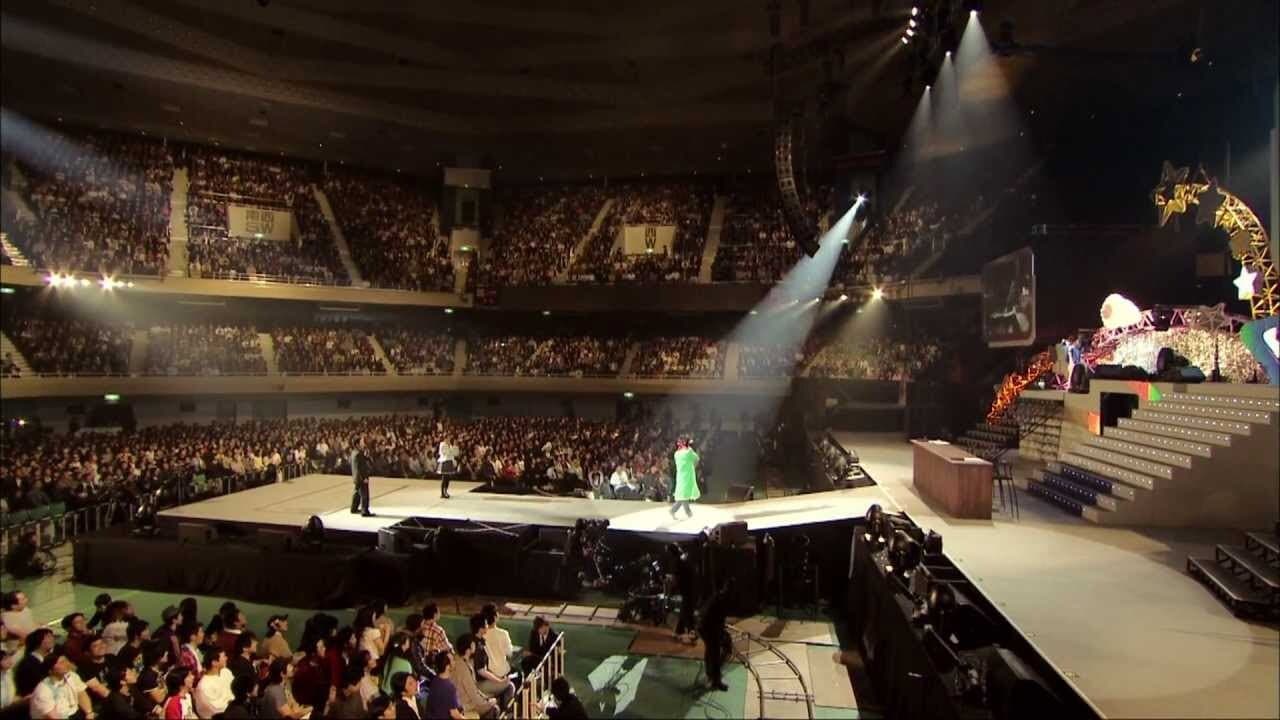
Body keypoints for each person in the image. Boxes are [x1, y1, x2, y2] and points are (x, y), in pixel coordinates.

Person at [30, 651, 93, 720]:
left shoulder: (71, 675)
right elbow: (52, 716)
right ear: (50, 670)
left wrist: (89, 713)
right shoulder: (43, 690)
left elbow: (81, 694)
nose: (66, 664)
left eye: (65, 661)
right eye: (61, 663)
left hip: (75, 714)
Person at [466, 616, 513, 709]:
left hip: (478, 681)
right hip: (478, 684)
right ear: (480, 629)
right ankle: (506, 712)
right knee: (509, 685)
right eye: (486, 625)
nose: (488, 626)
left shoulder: (477, 641)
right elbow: (481, 670)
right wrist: (499, 680)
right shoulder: (477, 646)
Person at [450, 636, 497, 720]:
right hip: (464, 705)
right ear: (468, 649)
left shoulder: (458, 661)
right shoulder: (463, 668)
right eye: (473, 644)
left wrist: (485, 698)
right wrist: (488, 703)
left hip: (463, 701)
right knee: (494, 709)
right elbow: (472, 693)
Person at [699, 581, 732, 692]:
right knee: (713, 650)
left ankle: (715, 676)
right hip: (706, 627)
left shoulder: (722, 597)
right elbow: (713, 618)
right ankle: (712, 677)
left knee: (722, 647)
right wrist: (720, 632)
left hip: (711, 626)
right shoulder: (720, 599)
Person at [193, 648, 234, 718]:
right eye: (224, 656)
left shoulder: (226, 672)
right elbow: (213, 709)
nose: (226, 658)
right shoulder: (204, 685)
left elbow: (236, 690)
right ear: (214, 662)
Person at [668, 542, 697, 642]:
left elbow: (676, 579)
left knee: (687, 611)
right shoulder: (682, 559)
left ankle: (692, 632)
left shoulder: (678, 561)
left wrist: (671, 591)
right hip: (690, 588)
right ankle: (680, 631)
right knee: (686, 610)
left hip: (688, 589)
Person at [15, 629, 55, 697]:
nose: (52, 640)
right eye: (48, 637)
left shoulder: (48, 659)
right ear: (38, 641)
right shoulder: (28, 663)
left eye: (52, 637)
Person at [425, 653, 464, 720]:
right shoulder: (449, 687)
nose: (454, 662)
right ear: (447, 666)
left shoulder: (435, 680)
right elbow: (454, 714)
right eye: (453, 660)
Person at [670, 437, 700, 520]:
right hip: (686, 476)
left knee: (683, 495)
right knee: (683, 495)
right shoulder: (688, 452)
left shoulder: (676, 453)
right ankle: (687, 512)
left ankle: (676, 511)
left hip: (681, 476)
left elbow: (695, 459)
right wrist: (693, 466)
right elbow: (697, 459)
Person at [350, 437, 373, 517]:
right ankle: (365, 511)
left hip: (356, 477)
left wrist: (366, 456)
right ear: (357, 444)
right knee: (364, 494)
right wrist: (364, 478)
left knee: (357, 494)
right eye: (361, 442)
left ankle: (354, 508)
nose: (363, 444)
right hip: (361, 477)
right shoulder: (359, 454)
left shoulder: (354, 452)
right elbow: (360, 468)